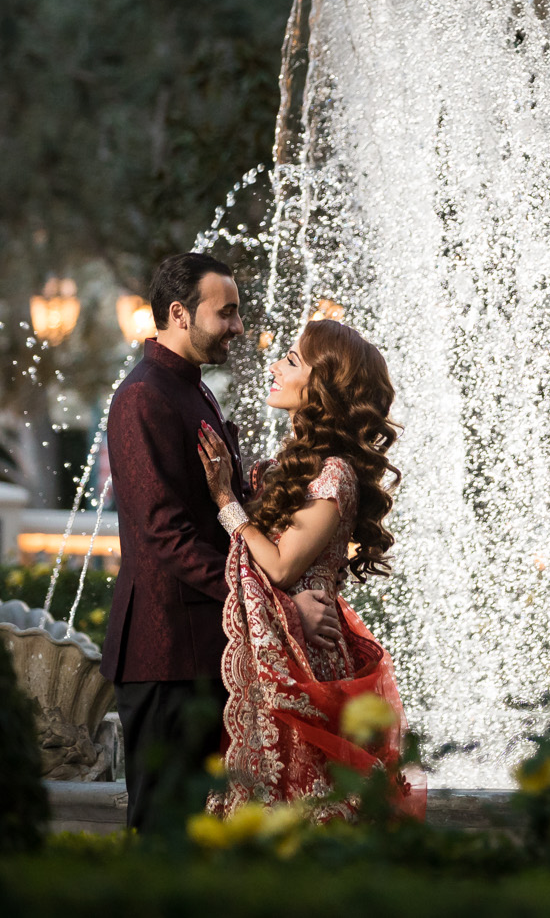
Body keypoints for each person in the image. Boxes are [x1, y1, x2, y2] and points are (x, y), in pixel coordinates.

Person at [100, 252, 342, 832]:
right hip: (165, 657)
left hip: (204, 650)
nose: (238, 326)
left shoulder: (190, 390)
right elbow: (165, 536)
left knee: (209, 837)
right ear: (180, 314)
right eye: (226, 313)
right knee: (166, 835)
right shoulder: (143, 397)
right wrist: (279, 607)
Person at [200, 317, 423, 819]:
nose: (276, 364)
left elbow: (280, 567)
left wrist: (223, 500)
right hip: (290, 639)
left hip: (308, 659)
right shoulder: (305, 461)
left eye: (293, 360)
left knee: (304, 800)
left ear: (323, 388)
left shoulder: (335, 471)